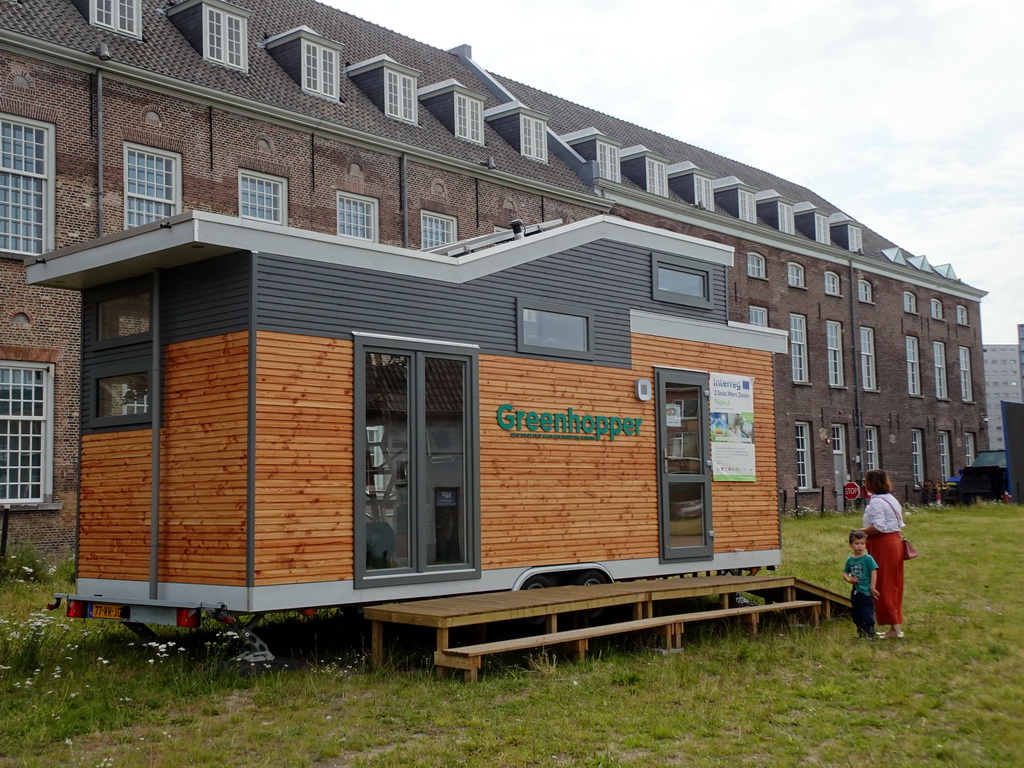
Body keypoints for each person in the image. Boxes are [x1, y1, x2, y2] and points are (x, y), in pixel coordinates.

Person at [860, 468, 905, 638]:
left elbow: (879, 526)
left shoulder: (877, 502)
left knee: (882, 585)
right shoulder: (891, 499)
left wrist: (860, 531)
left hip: (883, 544)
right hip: (895, 542)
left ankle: (894, 628)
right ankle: (895, 624)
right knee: (894, 583)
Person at [843, 530, 879, 639]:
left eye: (862, 544)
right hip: (856, 592)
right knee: (856, 613)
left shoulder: (868, 558)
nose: (859, 546)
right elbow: (845, 572)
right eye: (856, 544)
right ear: (851, 545)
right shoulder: (850, 560)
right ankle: (861, 632)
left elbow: (874, 571)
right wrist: (849, 580)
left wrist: (872, 587)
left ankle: (870, 632)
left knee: (867, 612)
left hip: (866, 592)